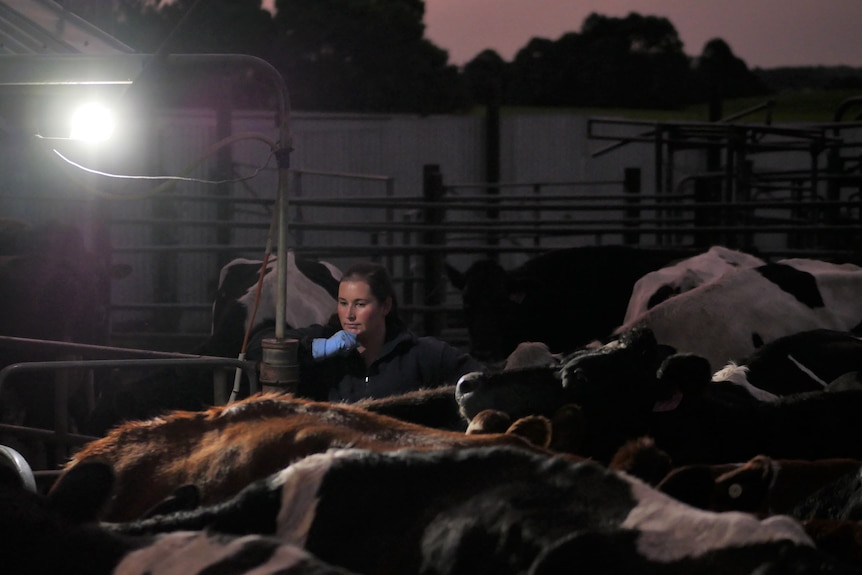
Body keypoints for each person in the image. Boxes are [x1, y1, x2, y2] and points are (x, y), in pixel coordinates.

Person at [283, 260, 485, 402]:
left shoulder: (420, 355)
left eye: (360, 304)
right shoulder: (328, 349)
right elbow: (261, 349)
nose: (349, 314)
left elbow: (482, 380)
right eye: (343, 303)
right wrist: (320, 348)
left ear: (385, 306)